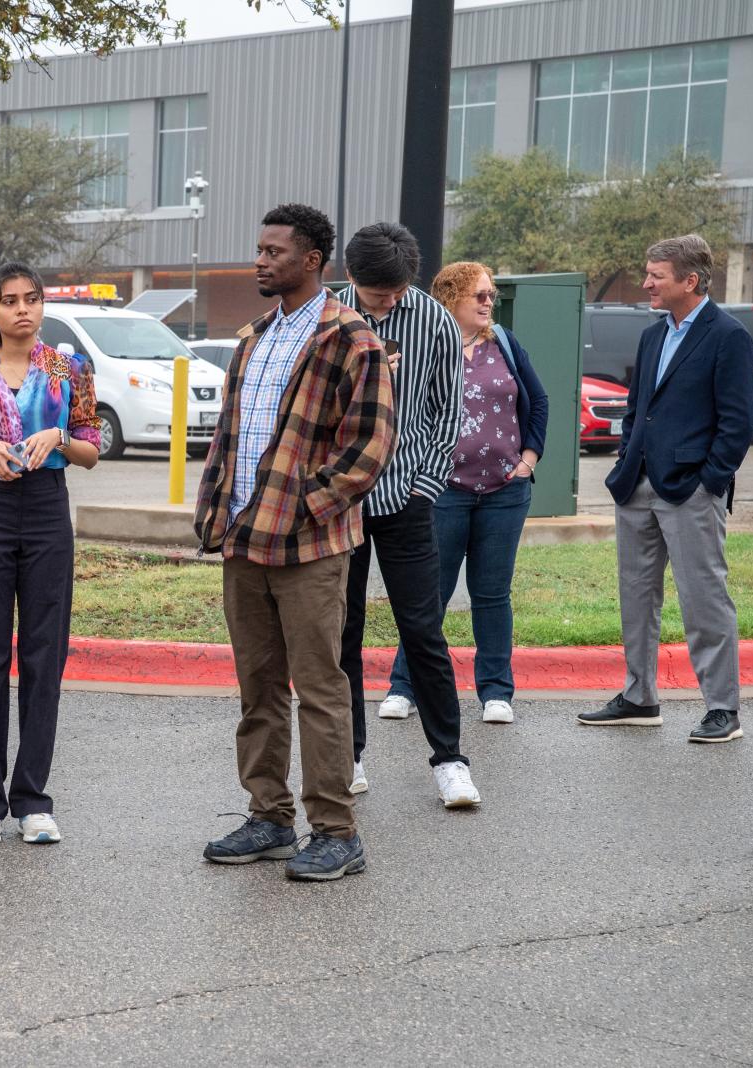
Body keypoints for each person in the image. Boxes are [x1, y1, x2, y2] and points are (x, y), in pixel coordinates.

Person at [195, 204, 394, 882]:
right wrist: (217, 512)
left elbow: (371, 447)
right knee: (258, 688)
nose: (260, 260)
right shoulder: (253, 336)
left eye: (274, 251)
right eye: (259, 249)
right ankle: (269, 817)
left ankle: (336, 831)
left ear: (311, 260)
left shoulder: (350, 338)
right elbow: (229, 437)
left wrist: (308, 505)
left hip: (309, 545)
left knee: (318, 686)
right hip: (244, 539)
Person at [0, 263, 101, 846]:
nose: (22, 310)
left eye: (32, 299)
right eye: (8, 301)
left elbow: (91, 447)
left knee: (43, 651)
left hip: (46, 506)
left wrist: (59, 437)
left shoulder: (67, 369)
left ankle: (32, 797)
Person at [580, 235, 753, 743]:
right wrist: (626, 456)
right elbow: (639, 405)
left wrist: (710, 482)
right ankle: (640, 696)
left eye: (655, 275)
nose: (646, 283)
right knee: (636, 597)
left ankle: (723, 709)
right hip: (636, 484)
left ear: (689, 281)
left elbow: (738, 423)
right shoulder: (653, 334)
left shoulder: (729, 336)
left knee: (704, 601)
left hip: (692, 491)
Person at [339, 222, 476, 807]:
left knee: (424, 631)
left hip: (408, 499)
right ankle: (347, 756)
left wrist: (425, 485)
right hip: (338, 503)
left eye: (397, 291)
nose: (389, 301)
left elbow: (448, 410)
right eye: (378, 294)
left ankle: (450, 760)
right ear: (352, 278)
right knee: (338, 635)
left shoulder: (434, 321)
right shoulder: (324, 317)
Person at [385, 261, 548, 726]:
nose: (487, 302)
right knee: (428, 595)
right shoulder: (429, 348)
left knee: (492, 594)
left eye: (491, 294)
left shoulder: (506, 344)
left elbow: (538, 402)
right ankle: (404, 686)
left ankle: (496, 692)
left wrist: (528, 461)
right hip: (443, 491)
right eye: (478, 294)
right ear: (451, 297)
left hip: (504, 492)